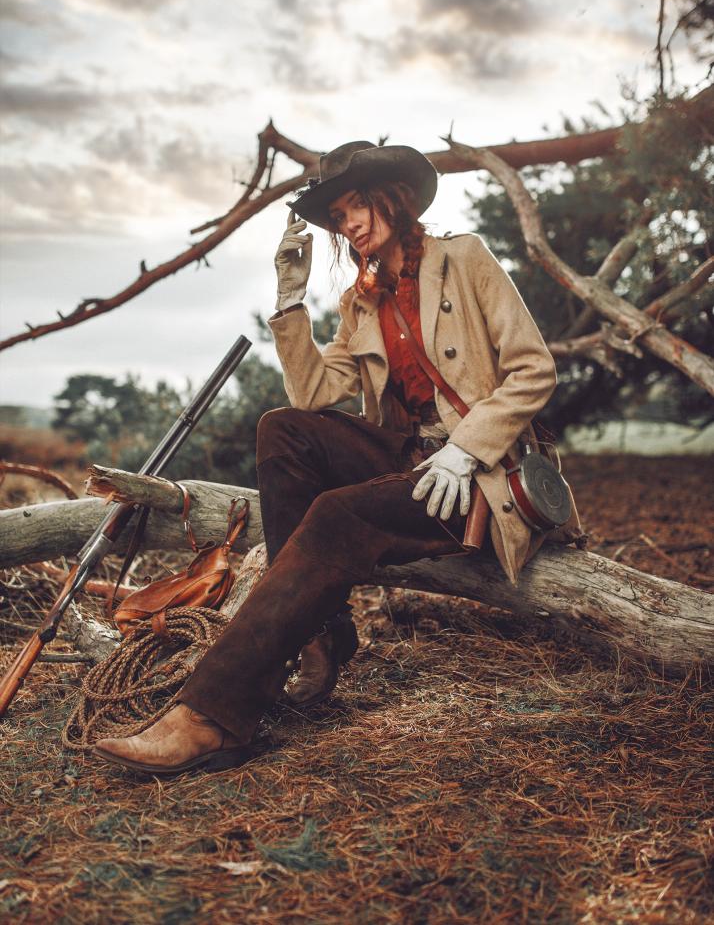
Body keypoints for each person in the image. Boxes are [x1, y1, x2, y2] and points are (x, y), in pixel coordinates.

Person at [93, 141, 578, 775]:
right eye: (338, 216)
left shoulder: (465, 258)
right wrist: (290, 302)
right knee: (283, 429)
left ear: (394, 200)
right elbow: (315, 395)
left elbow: (534, 369)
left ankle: (212, 718)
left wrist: (465, 449)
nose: (346, 224)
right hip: (410, 461)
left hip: (479, 476)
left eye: (356, 207)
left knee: (336, 517)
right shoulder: (362, 300)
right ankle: (321, 630)